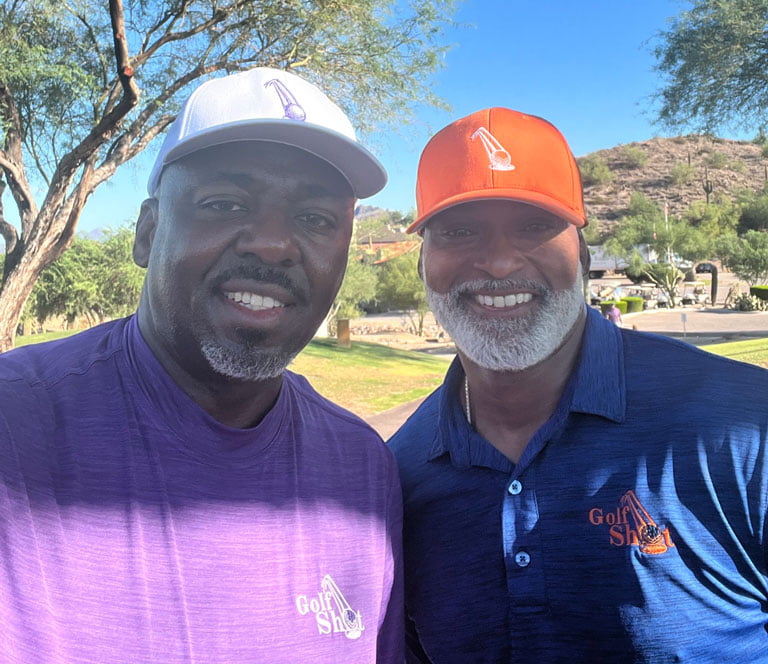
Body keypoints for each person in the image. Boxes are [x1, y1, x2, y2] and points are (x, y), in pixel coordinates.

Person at [0, 68, 403, 664]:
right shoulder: (15, 426)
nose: (272, 244)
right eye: (224, 203)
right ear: (147, 231)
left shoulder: (362, 469)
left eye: (315, 220)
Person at [389, 106, 768, 663]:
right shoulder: (399, 471)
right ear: (424, 265)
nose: (497, 261)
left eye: (535, 226)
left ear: (584, 256)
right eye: (460, 230)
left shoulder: (744, 425)